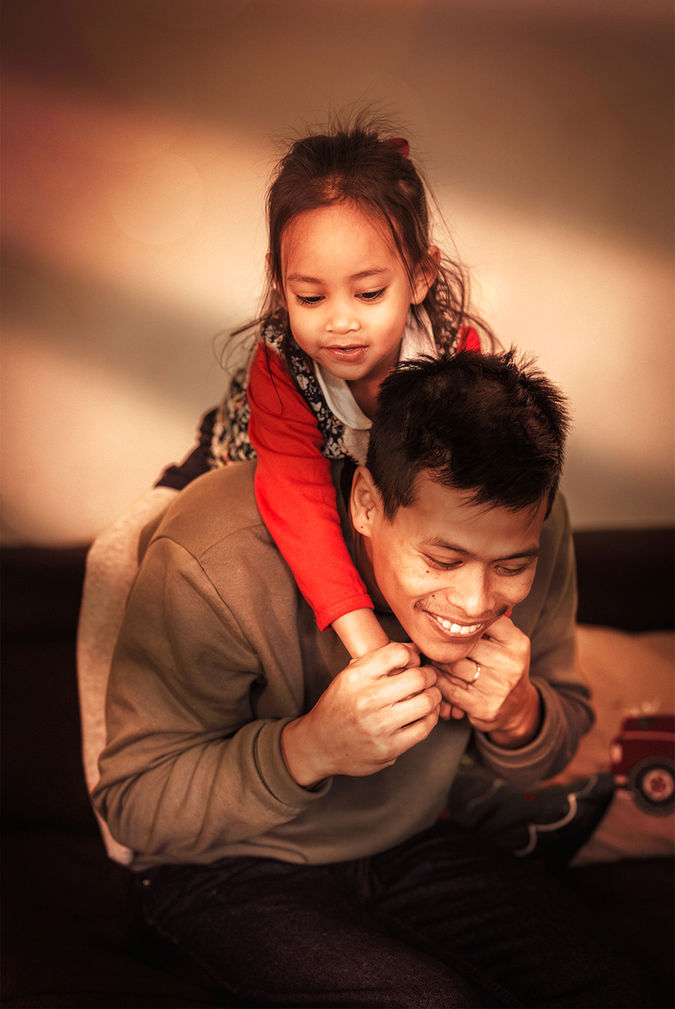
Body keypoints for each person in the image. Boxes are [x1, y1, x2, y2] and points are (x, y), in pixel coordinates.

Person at [93, 351, 652, 1008]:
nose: (473, 600)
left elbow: (549, 749)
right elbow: (134, 805)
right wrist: (308, 748)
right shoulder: (215, 553)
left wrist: (518, 716)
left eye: (508, 566)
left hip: (409, 841)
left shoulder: (537, 528)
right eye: (442, 558)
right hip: (216, 868)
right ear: (365, 501)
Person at [77, 121, 495, 849]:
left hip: (364, 492)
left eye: (368, 293)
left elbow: (464, 511)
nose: (338, 322)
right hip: (230, 477)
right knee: (115, 556)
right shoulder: (281, 371)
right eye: (308, 296)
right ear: (279, 282)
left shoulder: (457, 353)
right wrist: (368, 645)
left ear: (420, 277)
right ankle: (125, 815)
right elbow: (298, 507)